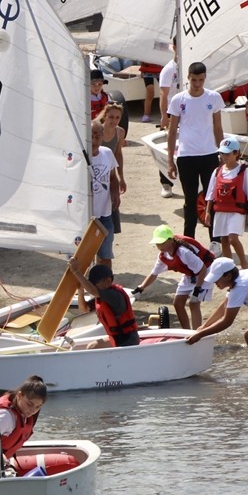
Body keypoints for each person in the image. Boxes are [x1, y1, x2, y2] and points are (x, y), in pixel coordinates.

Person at [166, 61, 223, 244]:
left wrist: (222, 154)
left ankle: (215, 241)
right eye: (194, 80)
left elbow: (218, 127)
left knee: (211, 199)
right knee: (190, 201)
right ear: (188, 78)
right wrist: (170, 160)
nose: (197, 84)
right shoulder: (178, 100)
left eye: (201, 80)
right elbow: (172, 131)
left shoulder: (213, 98)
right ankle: (189, 242)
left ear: (205, 78)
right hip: (186, 156)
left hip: (209, 155)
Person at [132, 224, 216, 329]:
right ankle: (186, 332)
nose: (160, 246)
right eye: (157, 243)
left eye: (162, 242)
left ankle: (196, 334)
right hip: (191, 274)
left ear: (170, 240)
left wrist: (197, 289)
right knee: (178, 303)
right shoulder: (163, 255)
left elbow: (202, 269)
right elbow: (154, 273)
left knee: (193, 303)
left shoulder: (183, 252)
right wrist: (141, 288)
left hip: (206, 271)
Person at [205, 136, 248, 270]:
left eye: (227, 154)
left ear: (236, 153)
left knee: (233, 238)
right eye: (222, 153)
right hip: (221, 210)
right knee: (224, 240)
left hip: (236, 211)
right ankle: (230, 268)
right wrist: (208, 212)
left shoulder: (243, 171)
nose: (224, 157)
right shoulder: (217, 171)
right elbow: (211, 193)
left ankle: (244, 264)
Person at [68, 262, 141, 350]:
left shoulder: (113, 295)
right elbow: (84, 309)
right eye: (92, 284)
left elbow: (92, 291)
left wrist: (76, 271)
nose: (94, 286)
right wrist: (80, 291)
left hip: (128, 341)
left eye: (96, 284)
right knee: (92, 347)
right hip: (117, 338)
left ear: (108, 281)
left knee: (92, 348)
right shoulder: (102, 297)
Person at [88, 120, 121, 268]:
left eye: (97, 134)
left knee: (105, 256)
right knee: (83, 257)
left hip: (104, 215)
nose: (94, 138)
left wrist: (115, 194)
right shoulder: (80, 157)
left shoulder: (107, 153)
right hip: (85, 217)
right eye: (91, 134)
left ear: (102, 136)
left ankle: (106, 280)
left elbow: (113, 178)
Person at [98, 102, 127, 236]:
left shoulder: (120, 132)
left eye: (117, 118)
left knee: (113, 203)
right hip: (96, 172)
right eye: (111, 117)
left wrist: (122, 178)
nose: (114, 121)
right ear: (105, 116)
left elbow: (118, 154)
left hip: (110, 174)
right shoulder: (96, 130)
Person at [157, 44, 179, 198]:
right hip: (172, 113)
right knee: (167, 148)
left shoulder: (192, 67)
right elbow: (163, 94)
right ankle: (166, 183)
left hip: (188, 112)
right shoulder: (169, 69)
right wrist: (164, 116)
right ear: (174, 47)